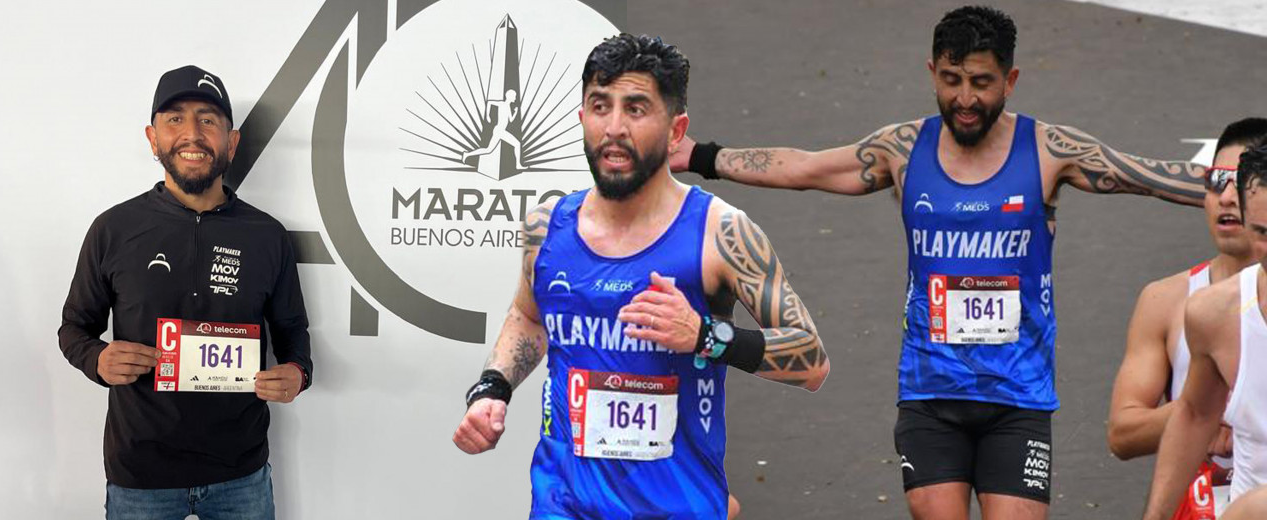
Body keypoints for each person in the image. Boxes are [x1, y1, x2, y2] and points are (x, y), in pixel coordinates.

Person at [669, 6, 1209, 519]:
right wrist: (699, 156)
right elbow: (807, 167)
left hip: (1017, 399)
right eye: (951, 80)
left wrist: (1236, 183)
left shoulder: (1047, 150)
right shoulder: (903, 150)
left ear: (1010, 80)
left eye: (981, 82)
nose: (965, 98)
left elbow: (1143, 174)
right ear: (933, 72)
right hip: (930, 397)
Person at [451, 34, 830, 519]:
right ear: (582, 116)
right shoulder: (546, 227)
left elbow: (811, 360)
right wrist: (492, 389)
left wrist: (705, 337)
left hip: (674, 505)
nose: (614, 128)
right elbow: (529, 317)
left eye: (635, 109)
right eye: (599, 106)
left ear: (676, 131)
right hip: (562, 501)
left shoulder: (722, 233)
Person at [58, 65, 312, 519]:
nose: (192, 134)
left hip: (241, 473)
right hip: (140, 474)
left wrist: (297, 372)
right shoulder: (113, 229)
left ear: (231, 143)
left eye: (208, 120)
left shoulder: (268, 235)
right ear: (152, 138)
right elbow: (74, 327)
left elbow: (292, 328)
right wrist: (96, 359)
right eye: (175, 119)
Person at [1108, 118, 1267, 519]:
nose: (1227, 198)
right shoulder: (1201, 308)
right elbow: (1188, 416)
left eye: (1236, 182)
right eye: (1216, 181)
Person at [462, 89, 525, 167]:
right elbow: (489, 102)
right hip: (499, 131)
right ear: (509, 97)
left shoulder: (508, 106)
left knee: (488, 150)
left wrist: (515, 112)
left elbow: (511, 120)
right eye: (514, 96)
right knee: (517, 144)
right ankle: (518, 165)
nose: (515, 98)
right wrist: (487, 115)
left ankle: (467, 154)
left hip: (500, 131)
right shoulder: (502, 104)